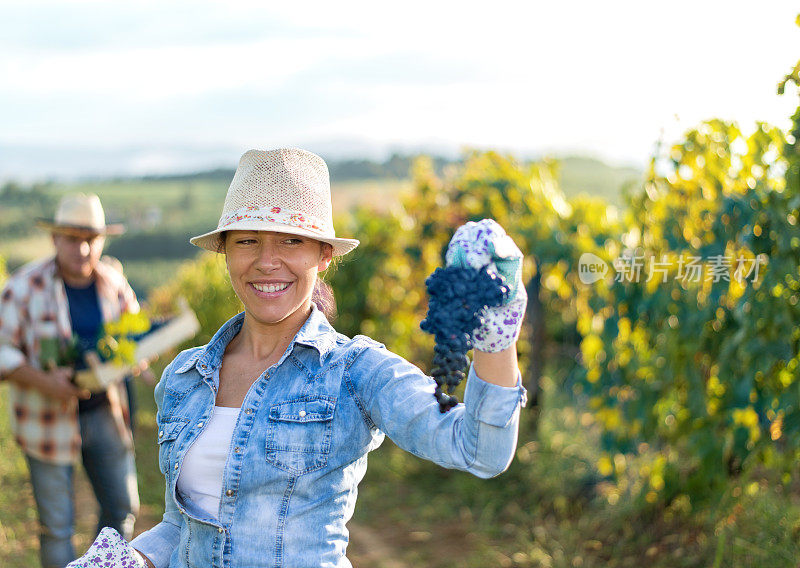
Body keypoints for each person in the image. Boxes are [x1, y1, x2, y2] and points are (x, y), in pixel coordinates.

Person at [73, 148, 529, 568]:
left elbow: (482, 452)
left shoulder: (355, 371)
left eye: (291, 241)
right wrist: (127, 561)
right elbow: (182, 527)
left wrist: (497, 333)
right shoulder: (185, 377)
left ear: (324, 255)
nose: (267, 261)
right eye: (247, 241)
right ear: (226, 252)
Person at [0, 193, 142, 568]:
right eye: (72, 238)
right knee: (57, 526)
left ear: (102, 241)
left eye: (91, 239)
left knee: (122, 509)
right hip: (45, 421)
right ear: (55, 240)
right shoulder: (23, 287)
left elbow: (134, 333)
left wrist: (136, 357)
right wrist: (42, 381)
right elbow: (2, 350)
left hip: (104, 412)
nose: (83, 248)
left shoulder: (113, 283)